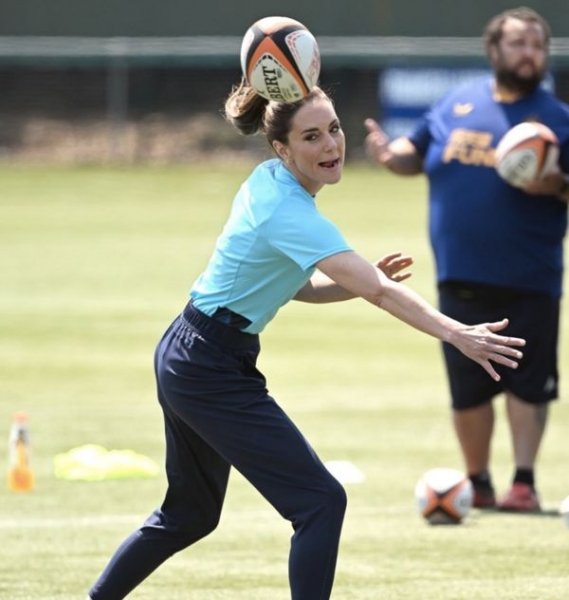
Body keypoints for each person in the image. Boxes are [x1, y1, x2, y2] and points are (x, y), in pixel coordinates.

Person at [87, 80, 526, 600]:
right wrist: (456, 332)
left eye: (334, 129)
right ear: (283, 148)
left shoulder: (270, 182)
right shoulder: (288, 211)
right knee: (320, 501)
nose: (331, 144)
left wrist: (357, 281)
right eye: (311, 137)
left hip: (193, 351)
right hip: (206, 365)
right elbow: (379, 292)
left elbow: (295, 286)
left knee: (190, 515)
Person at [365, 7, 569, 513]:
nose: (530, 53)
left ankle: (523, 484)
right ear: (494, 49)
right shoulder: (456, 104)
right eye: (519, 43)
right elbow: (414, 154)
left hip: (531, 275)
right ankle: (477, 482)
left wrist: (556, 184)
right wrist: (391, 157)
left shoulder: (558, 119)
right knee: (468, 387)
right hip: (461, 272)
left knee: (527, 383)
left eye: (538, 45)